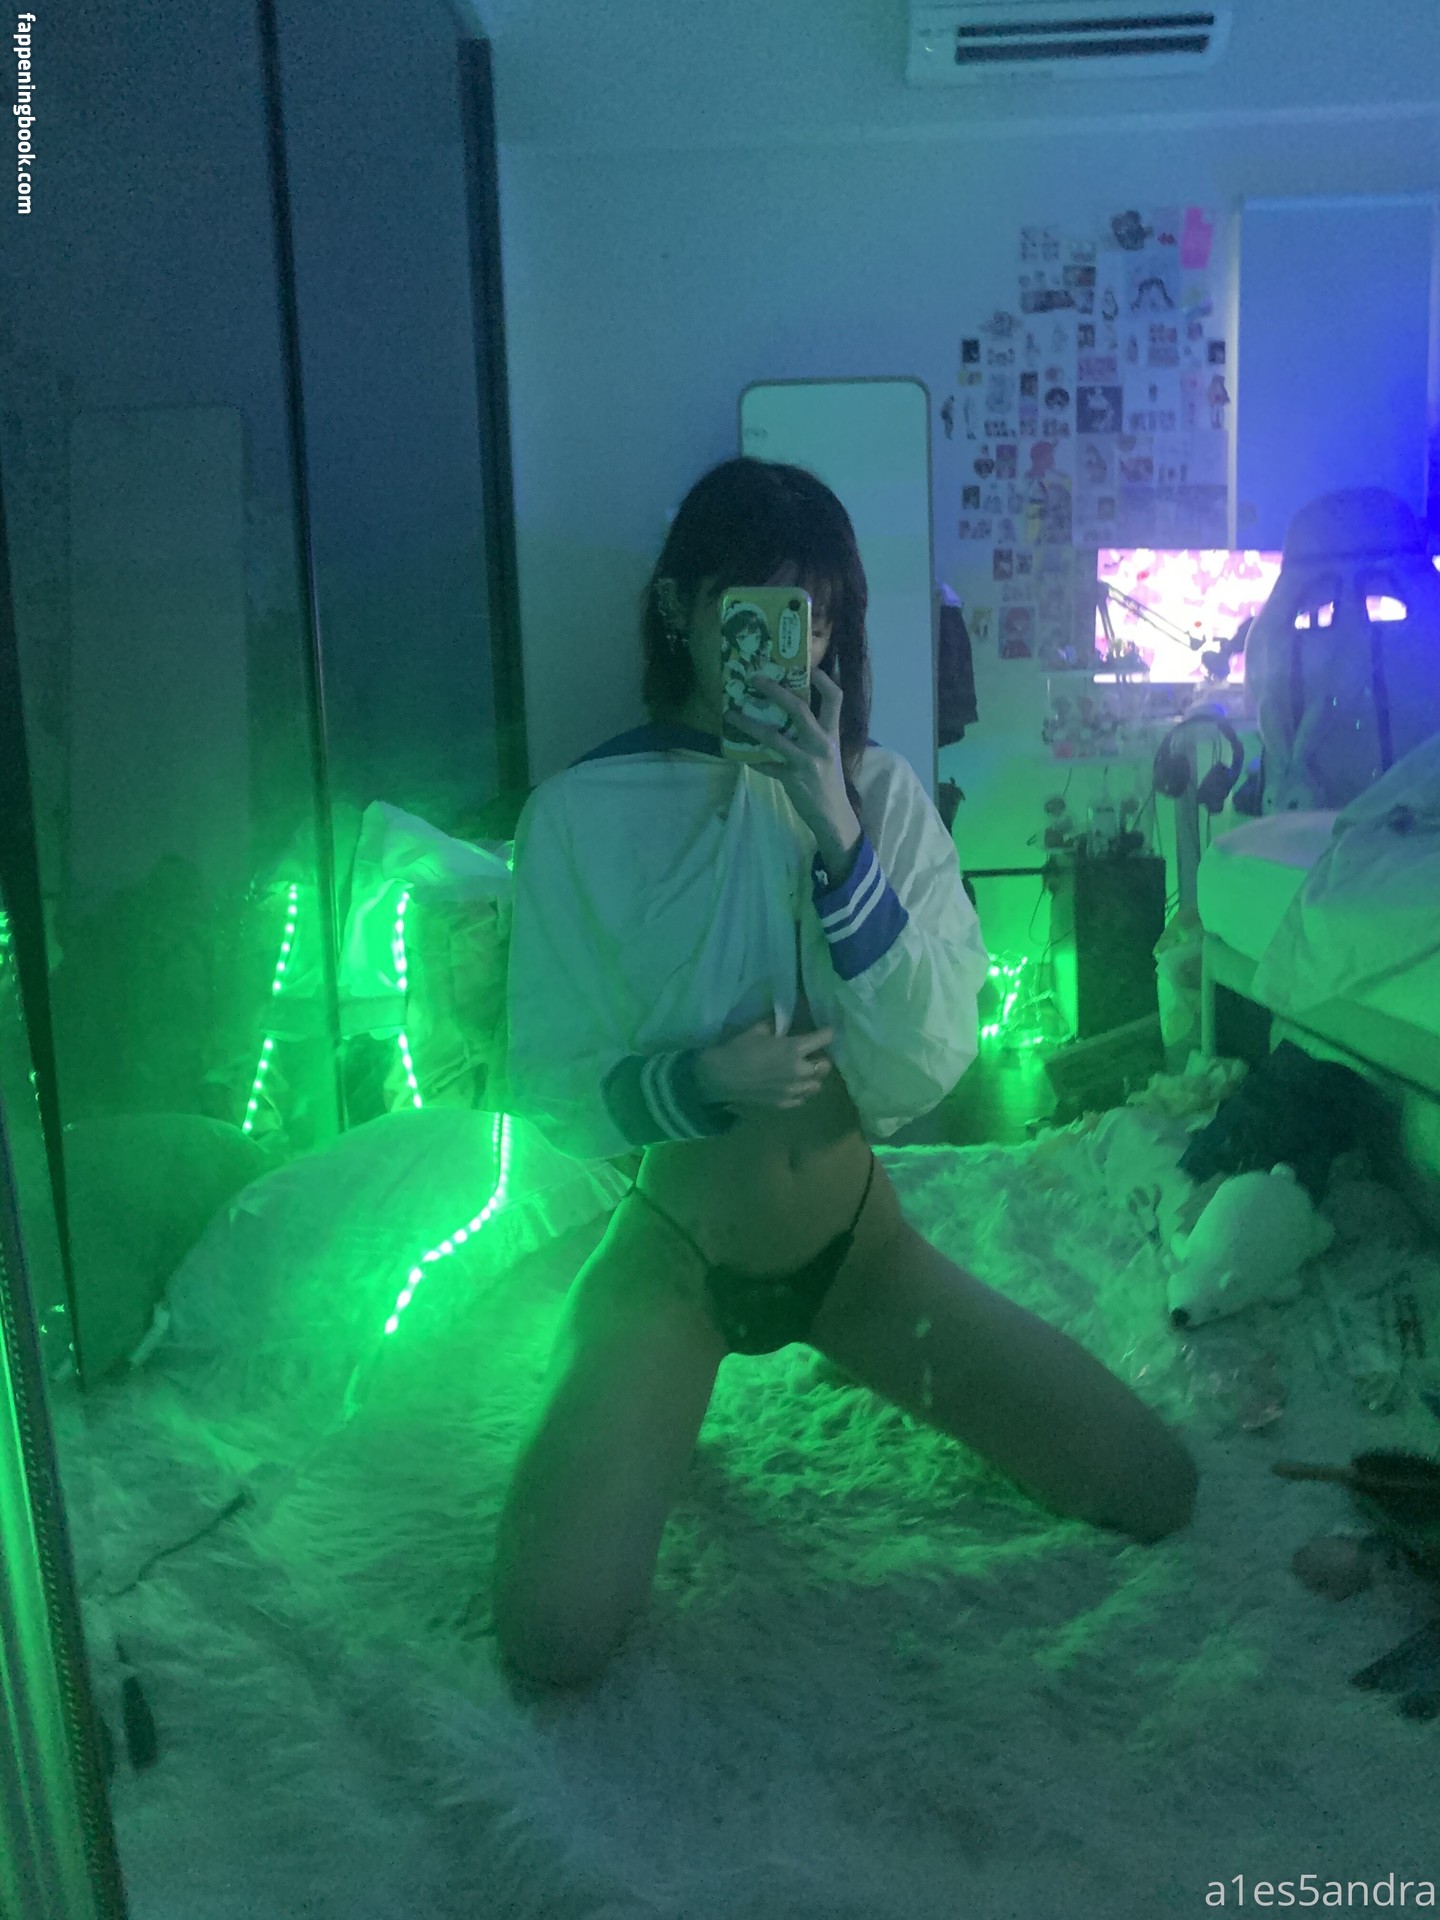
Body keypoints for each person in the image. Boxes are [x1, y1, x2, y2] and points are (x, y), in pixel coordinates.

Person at [492, 458, 1197, 1688]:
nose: (787, 640)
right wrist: (696, 1082)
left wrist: (836, 828)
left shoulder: (879, 794)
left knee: (1155, 1486)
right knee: (554, 1635)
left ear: (835, 630)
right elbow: (547, 1078)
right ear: (679, 610)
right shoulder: (577, 817)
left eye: (812, 613)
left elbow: (922, 1063)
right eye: (752, 607)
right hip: (675, 1261)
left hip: (859, 1254)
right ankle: (603, 1364)